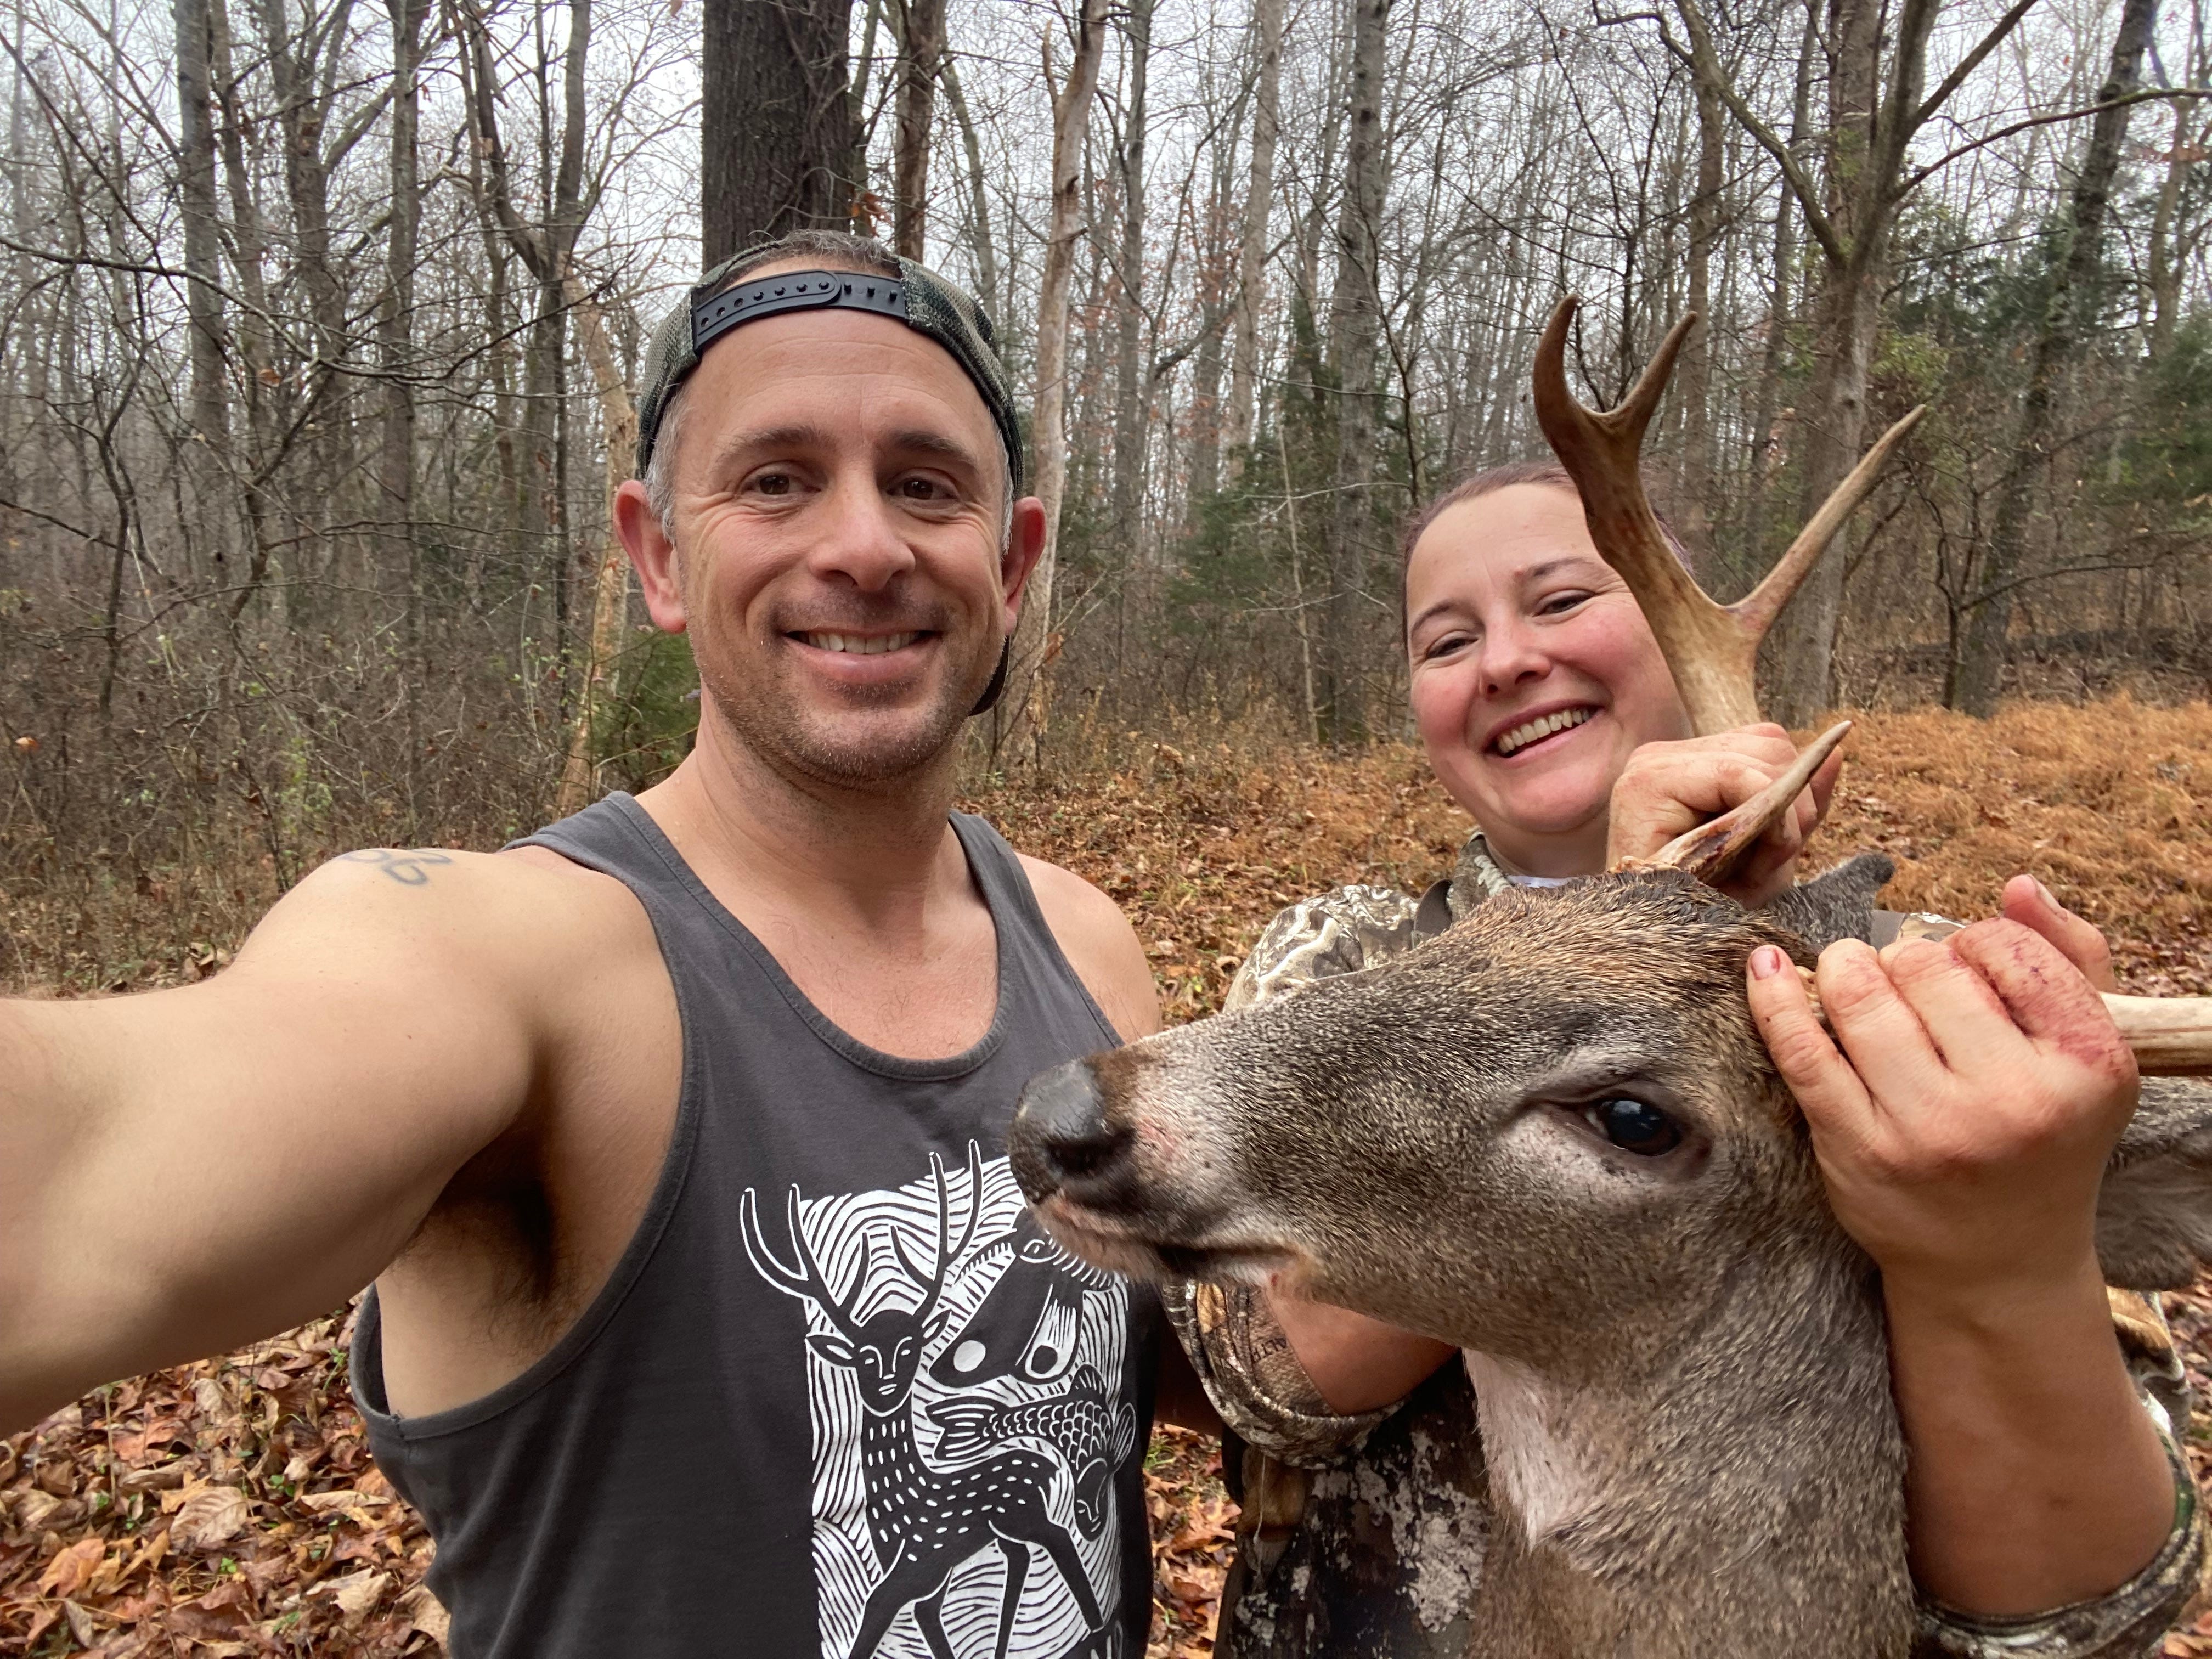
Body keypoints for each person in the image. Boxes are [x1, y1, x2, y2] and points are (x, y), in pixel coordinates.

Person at [0, 230, 1245, 1659]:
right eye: (777, 479)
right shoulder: (521, 964)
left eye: (925, 483)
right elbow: (86, 1176)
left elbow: (1190, 1362)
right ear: (659, 554)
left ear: (1010, 562)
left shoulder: (1089, 949)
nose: (862, 543)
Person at [1173, 458, 2205, 1657]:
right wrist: (1615, 969)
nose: (1506, 660)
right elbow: (1260, 1384)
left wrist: (1996, 1256)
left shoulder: (1915, 1018)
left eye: (1561, 602)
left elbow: (2087, 1606)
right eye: (1445, 642)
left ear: (1684, 634)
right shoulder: (1342, 959)